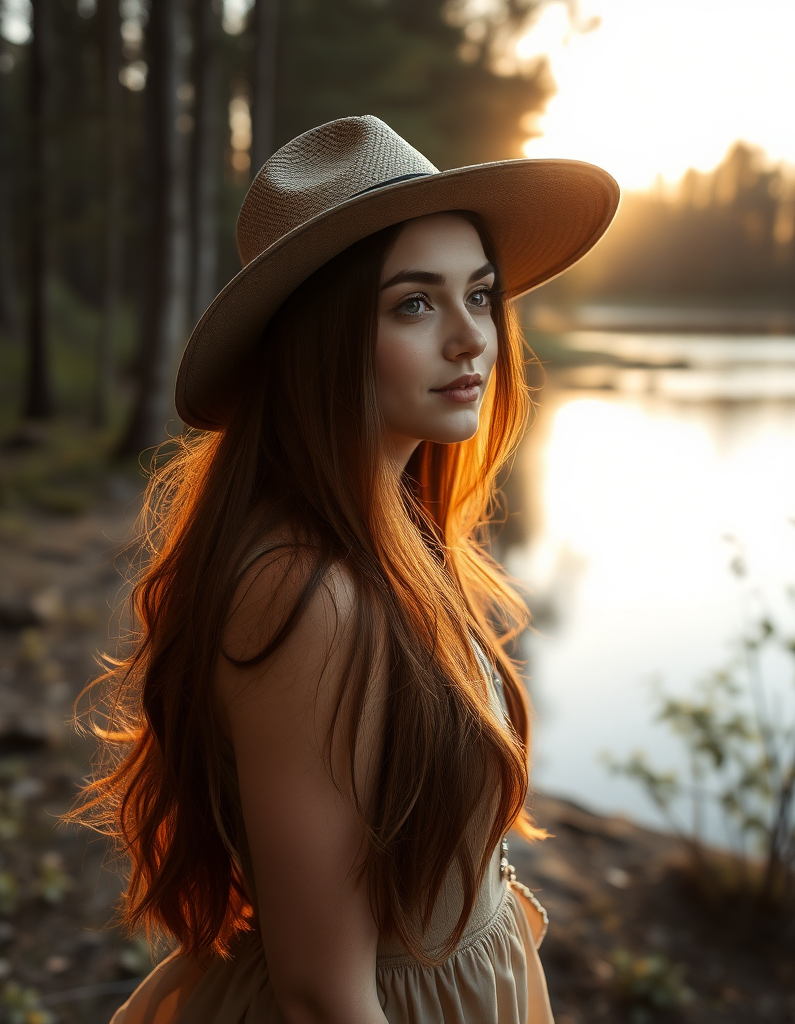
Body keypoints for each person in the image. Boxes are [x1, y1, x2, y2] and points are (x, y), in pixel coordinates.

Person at [71, 115, 618, 1024]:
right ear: (323, 340)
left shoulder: (398, 540)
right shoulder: (306, 593)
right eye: (414, 304)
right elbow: (326, 994)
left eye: (479, 295)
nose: (470, 339)